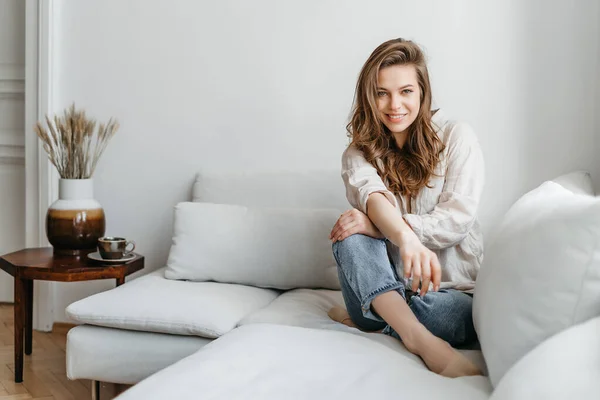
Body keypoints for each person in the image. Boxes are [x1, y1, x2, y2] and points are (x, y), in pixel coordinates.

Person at [328, 38, 485, 378]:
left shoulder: (457, 137)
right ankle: (424, 344)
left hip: (448, 295)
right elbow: (374, 198)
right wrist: (403, 237)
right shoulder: (358, 153)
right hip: (387, 289)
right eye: (382, 92)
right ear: (369, 97)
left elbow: (456, 221)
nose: (394, 104)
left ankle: (374, 323)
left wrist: (379, 226)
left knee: (422, 308)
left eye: (406, 91)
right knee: (350, 236)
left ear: (422, 93)